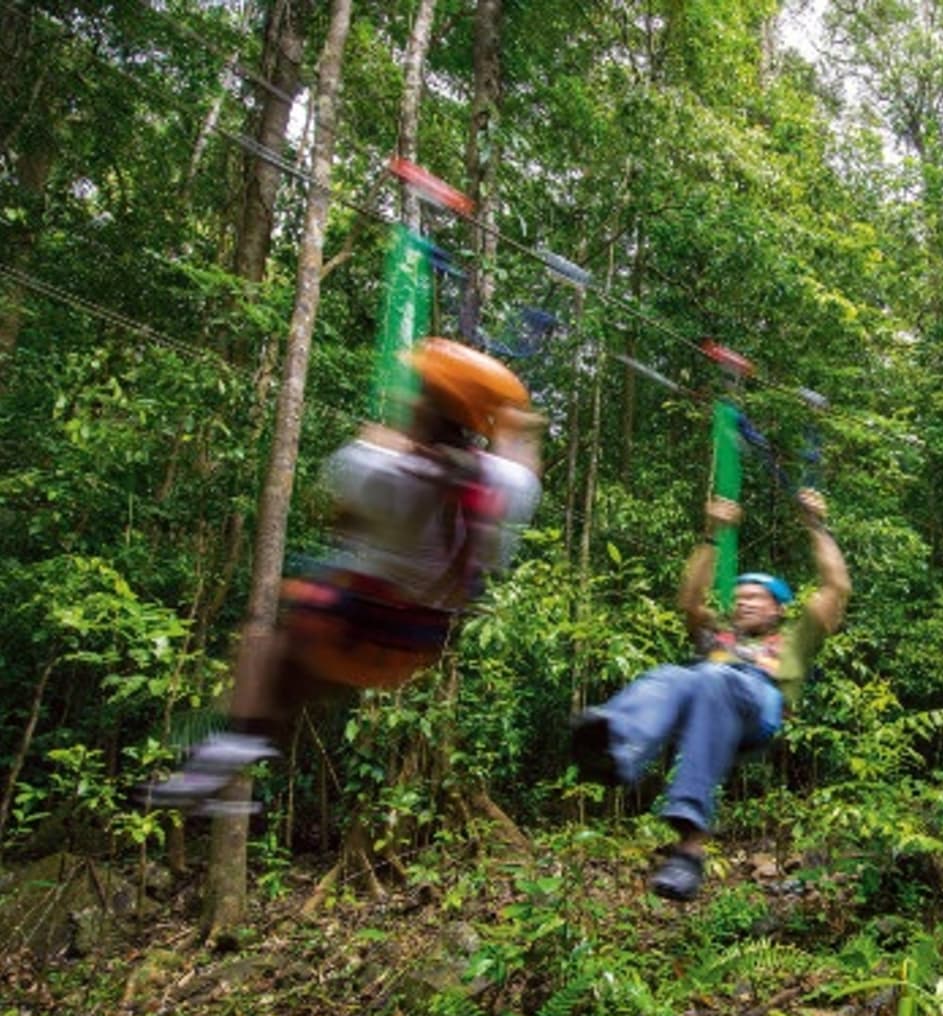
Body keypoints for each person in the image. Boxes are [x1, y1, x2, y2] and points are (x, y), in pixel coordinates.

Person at [147, 337, 545, 811]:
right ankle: (241, 748)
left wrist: (382, 436)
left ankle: (236, 747)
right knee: (315, 629)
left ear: (424, 408)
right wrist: (516, 426)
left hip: (341, 636)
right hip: (415, 648)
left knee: (269, 645)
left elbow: (335, 515)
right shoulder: (510, 487)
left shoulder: (375, 468)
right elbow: (520, 469)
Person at [570, 487, 850, 901]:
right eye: (739, 598)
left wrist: (816, 526)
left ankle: (691, 842)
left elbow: (836, 587)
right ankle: (619, 749)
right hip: (708, 698)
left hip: (759, 706)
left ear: (777, 609)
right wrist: (713, 534)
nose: (746, 603)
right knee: (674, 674)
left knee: (712, 678)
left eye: (757, 597)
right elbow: (690, 600)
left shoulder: (793, 639)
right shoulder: (718, 636)